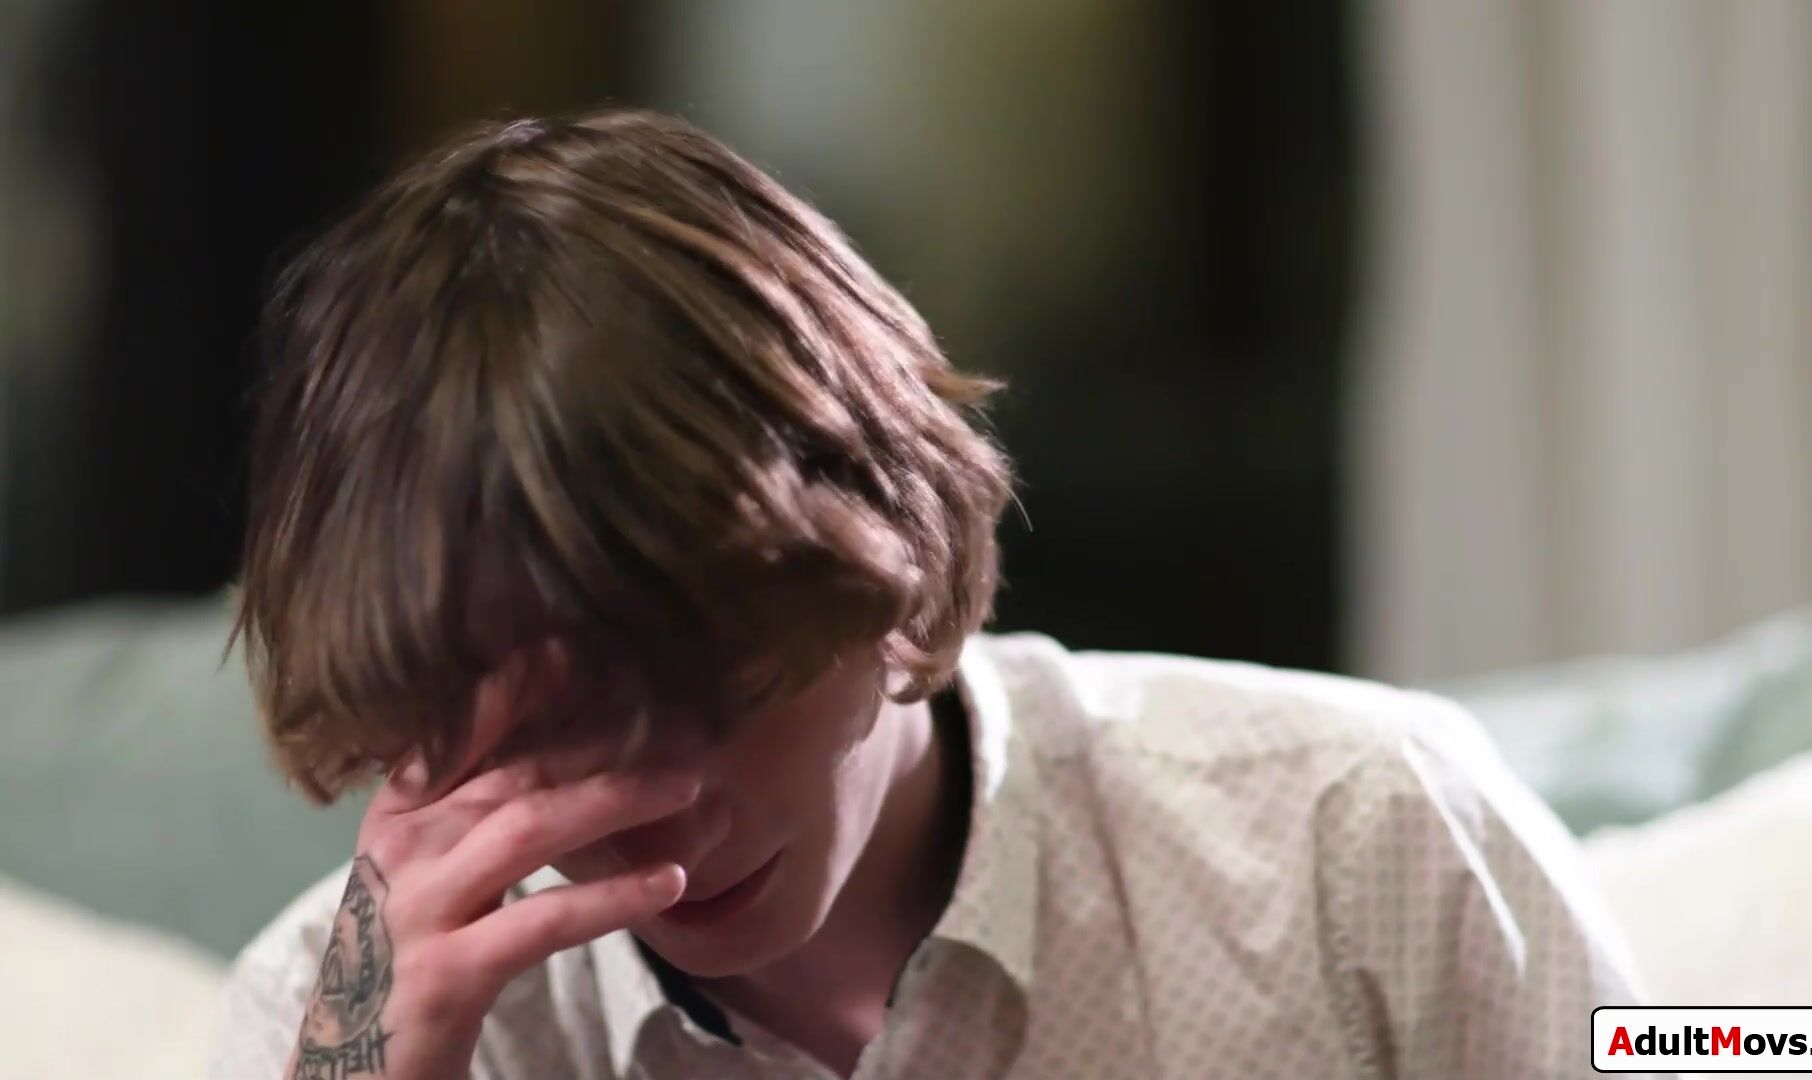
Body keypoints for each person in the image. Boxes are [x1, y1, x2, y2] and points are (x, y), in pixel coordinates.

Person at [212, 109, 1661, 1080]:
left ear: (887, 559)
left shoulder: (1355, 835)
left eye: (720, 696)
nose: (670, 818)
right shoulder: (336, 1019)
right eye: (560, 746)